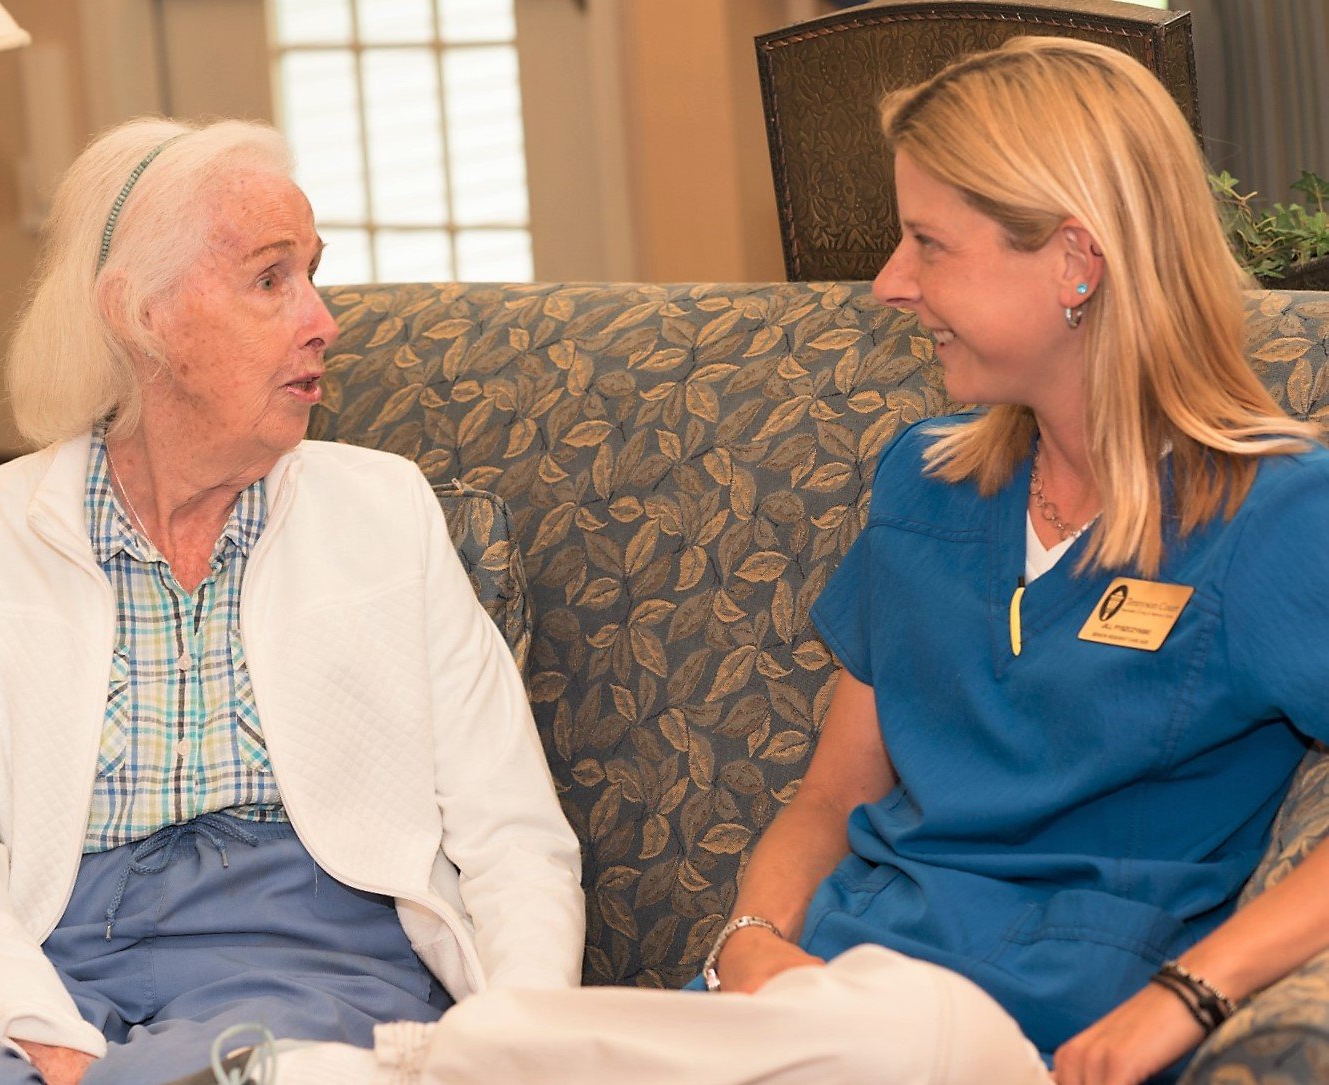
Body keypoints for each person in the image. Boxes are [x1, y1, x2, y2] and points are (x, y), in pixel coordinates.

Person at [254, 36, 1329, 1085]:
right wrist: (753, 936)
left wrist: (1191, 991)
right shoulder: (930, 482)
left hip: (1019, 1030)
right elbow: (828, 798)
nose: (888, 284)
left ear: (1076, 263)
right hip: (831, 998)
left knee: (901, 1036)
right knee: (525, 1035)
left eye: (929, 243)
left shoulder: (1271, 512)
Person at [0, 117, 584, 1085]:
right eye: (272, 279)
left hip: (307, 960)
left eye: (313, 273)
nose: (324, 320)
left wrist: (528, 1041)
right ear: (141, 315)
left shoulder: (386, 512)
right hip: (48, 960)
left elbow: (514, 834)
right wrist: (43, 1035)